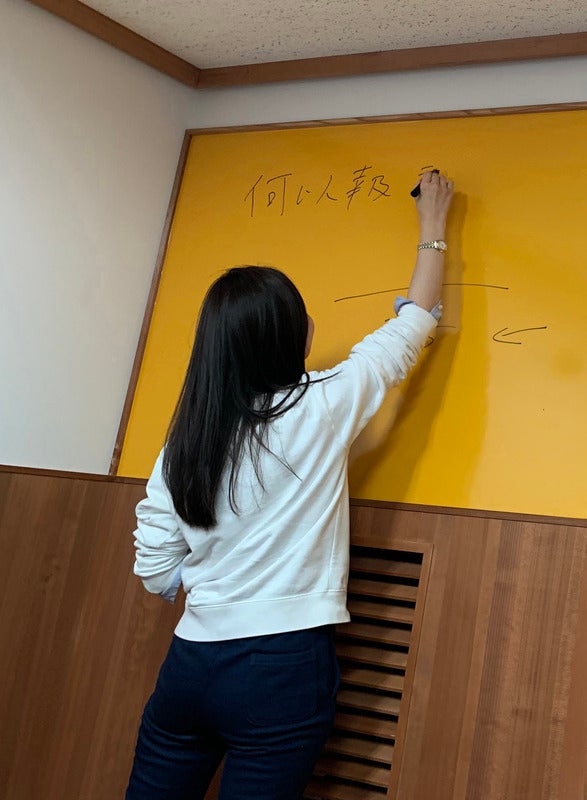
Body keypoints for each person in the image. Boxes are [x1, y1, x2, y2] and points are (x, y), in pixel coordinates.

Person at [126, 170, 454, 800]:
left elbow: (154, 568)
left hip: (190, 665)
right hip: (281, 667)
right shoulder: (321, 406)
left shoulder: (187, 438)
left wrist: (220, 589)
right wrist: (434, 225)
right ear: (287, 335)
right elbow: (412, 325)